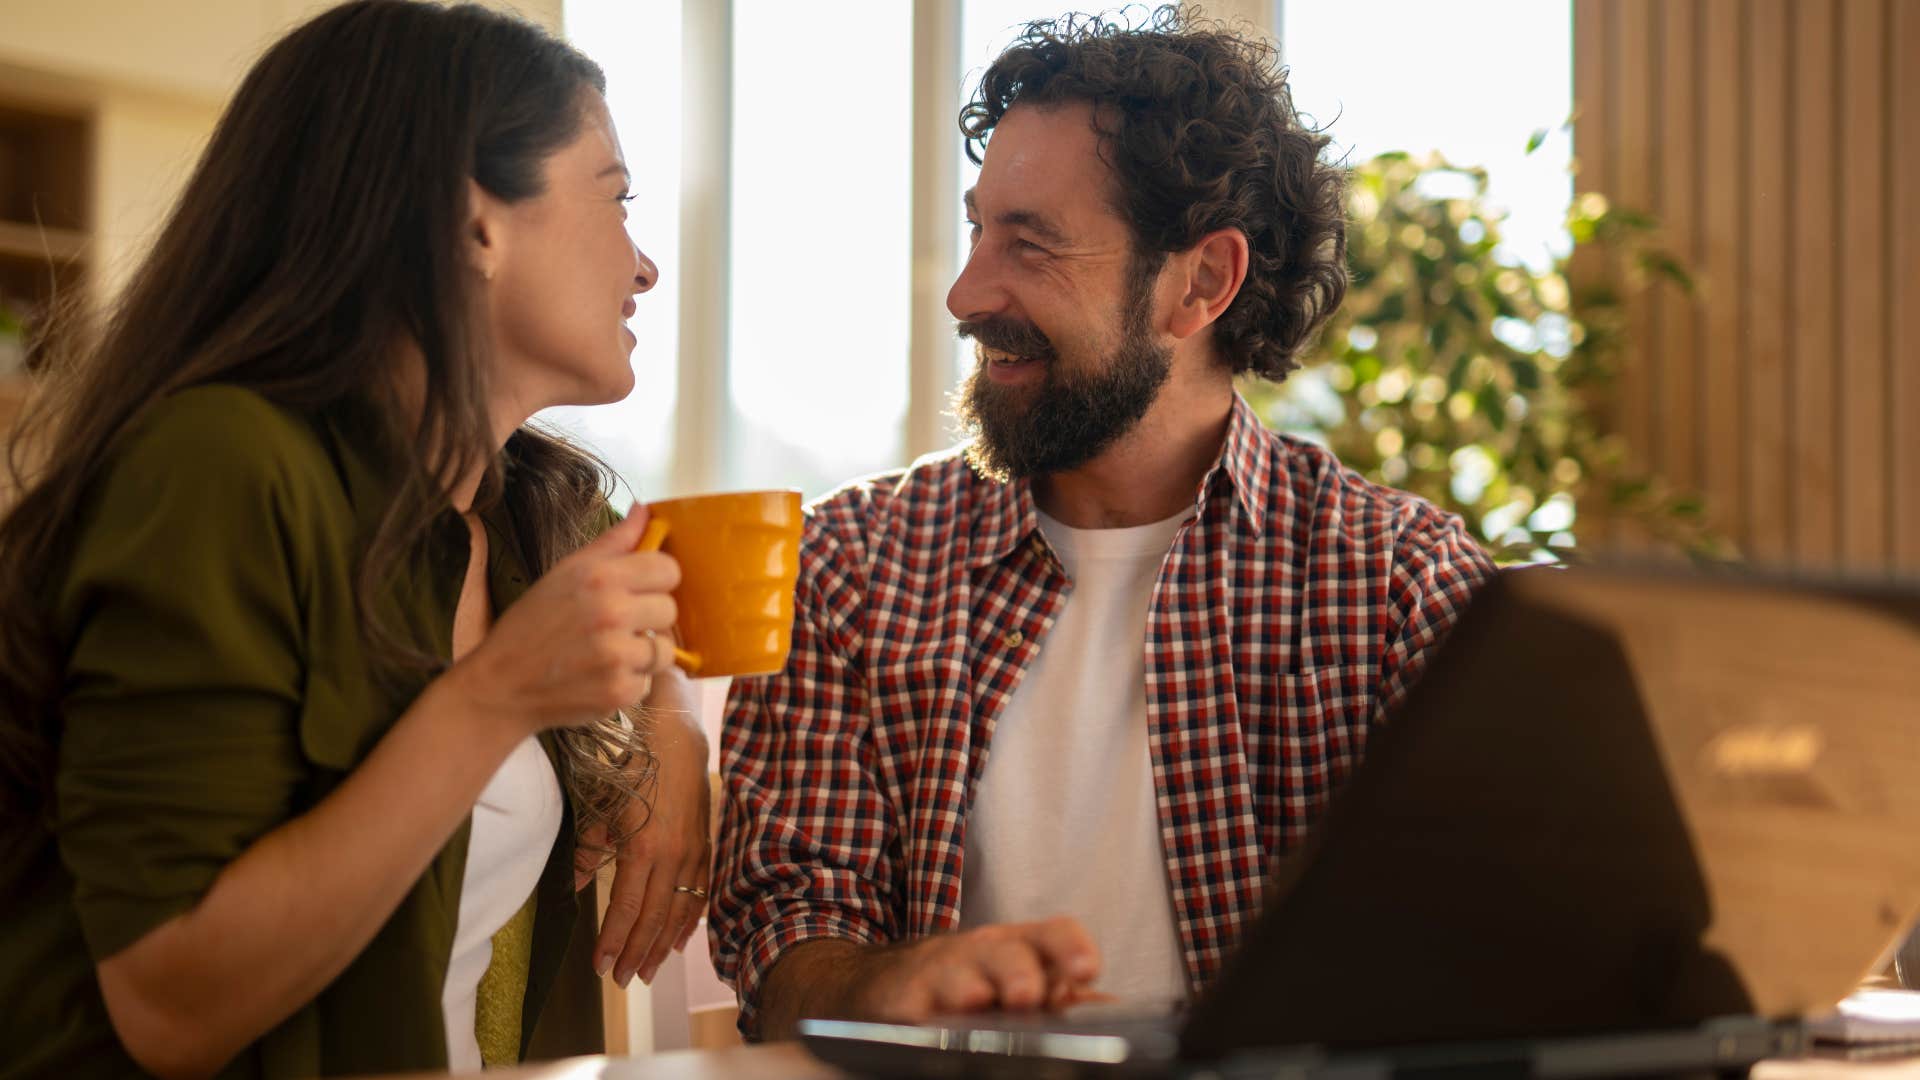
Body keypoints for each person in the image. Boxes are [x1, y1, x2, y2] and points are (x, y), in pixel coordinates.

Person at [710, 8, 1496, 1040]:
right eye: (978, 229)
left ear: (1201, 282)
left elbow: (1493, 957)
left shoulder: (1402, 589)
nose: (965, 293)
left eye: (1030, 244)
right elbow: (785, 933)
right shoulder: (851, 564)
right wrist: (885, 991)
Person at [0, 3, 710, 1076]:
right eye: (615, 200)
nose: (646, 265)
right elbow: (169, 1009)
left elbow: (650, 606)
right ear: (475, 226)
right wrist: (494, 698)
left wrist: (674, 728)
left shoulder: (518, 508)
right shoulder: (221, 465)